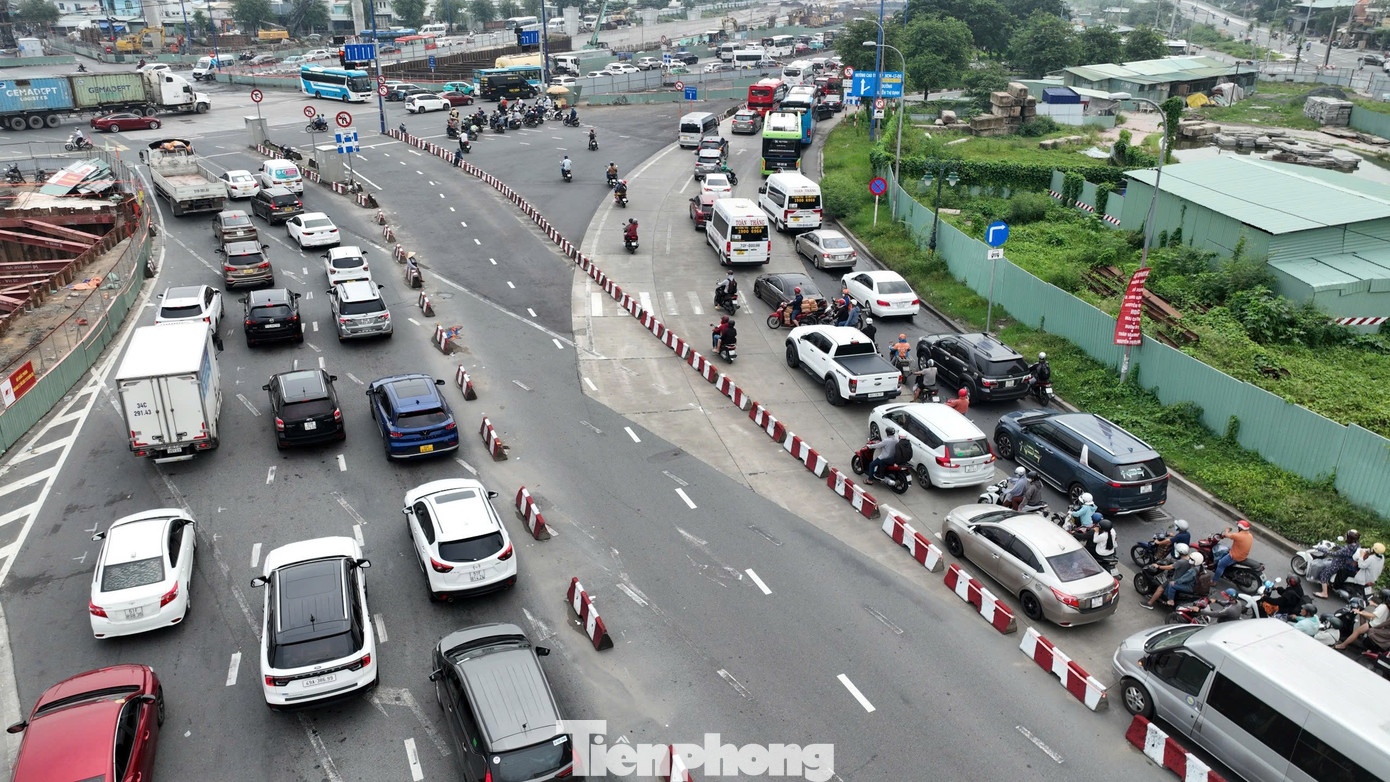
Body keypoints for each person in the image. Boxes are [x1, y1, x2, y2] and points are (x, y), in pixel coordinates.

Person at [1141, 543, 1193, 609]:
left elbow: (1170, 567)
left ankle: (1149, 603)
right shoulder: (1190, 559)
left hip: (1176, 579)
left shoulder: (1181, 562)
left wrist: (1158, 566)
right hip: (1183, 578)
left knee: (1160, 589)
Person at [1314, 530, 1363, 598]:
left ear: (1349, 538)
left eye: (1347, 535)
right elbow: (1344, 551)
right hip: (1345, 563)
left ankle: (1324, 593)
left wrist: (1321, 549)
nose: (1345, 536)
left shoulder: (1346, 548)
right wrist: (1336, 545)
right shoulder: (1357, 545)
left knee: (1324, 574)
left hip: (1338, 564)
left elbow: (1333, 554)